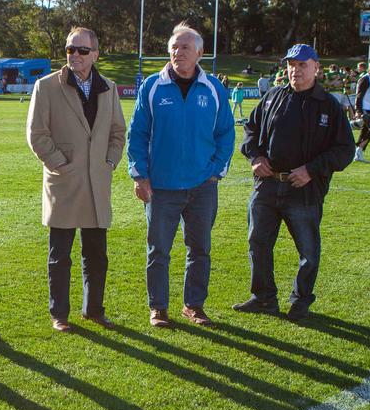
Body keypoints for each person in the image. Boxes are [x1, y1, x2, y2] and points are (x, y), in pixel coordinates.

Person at [234, 44, 355, 323]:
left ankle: (301, 300)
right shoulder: (273, 97)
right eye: (291, 64)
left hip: (303, 189)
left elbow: (344, 150)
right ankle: (263, 297)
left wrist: (312, 170)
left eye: (302, 65)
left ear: (316, 67)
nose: (295, 70)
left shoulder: (329, 106)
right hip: (266, 185)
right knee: (258, 242)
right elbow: (250, 129)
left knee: (308, 251)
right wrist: (255, 156)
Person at [127, 22, 234, 328]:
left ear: (199, 53)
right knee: (158, 250)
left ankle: (194, 306)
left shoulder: (213, 88)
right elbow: (137, 135)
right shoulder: (152, 87)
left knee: (199, 249)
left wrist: (215, 172)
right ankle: (158, 308)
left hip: (202, 187)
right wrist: (139, 176)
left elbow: (226, 134)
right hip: (161, 188)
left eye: (185, 47)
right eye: (174, 46)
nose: (178, 52)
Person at [27, 27, 126, 332]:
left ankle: (94, 309)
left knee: (96, 254)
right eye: (71, 49)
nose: (76, 56)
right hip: (64, 183)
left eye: (83, 50)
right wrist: (60, 163)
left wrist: (109, 161)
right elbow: (37, 135)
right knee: (60, 256)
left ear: (95, 54)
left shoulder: (108, 88)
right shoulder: (46, 87)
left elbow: (117, 132)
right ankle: (60, 314)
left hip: (97, 183)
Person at [353, 59, 370, 163]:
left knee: (365, 131)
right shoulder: (365, 78)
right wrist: (358, 110)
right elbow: (359, 95)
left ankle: (358, 153)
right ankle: (357, 146)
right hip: (365, 110)